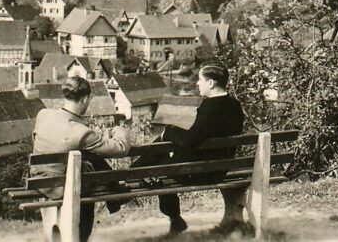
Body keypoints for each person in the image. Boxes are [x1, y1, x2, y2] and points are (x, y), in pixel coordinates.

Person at [140, 63, 246, 234]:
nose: (197, 83)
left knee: (159, 161)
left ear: (211, 83)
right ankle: (173, 217)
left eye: (200, 80)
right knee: (161, 157)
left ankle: (132, 177)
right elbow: (200, 138)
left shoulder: (210, 108)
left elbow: (190, 140)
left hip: (200, 171)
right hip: (220, 168)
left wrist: (168, 131)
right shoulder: (235, 106)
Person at [31, 75, 132, 242]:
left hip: (39, 180)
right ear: (85, 99)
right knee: (85, 175)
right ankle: (83, 236)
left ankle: (115, 196)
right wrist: (119, 130)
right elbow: (120, 149)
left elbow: (37, 139)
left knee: (84, 158)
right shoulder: (80, 132)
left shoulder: (43, 114)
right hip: (62, 188)